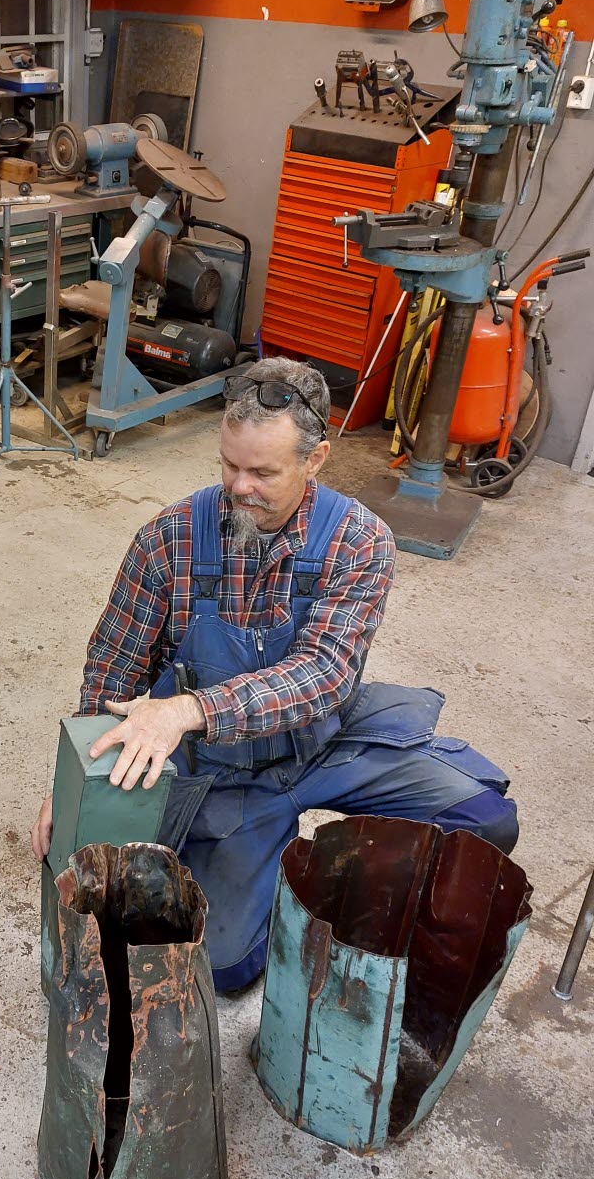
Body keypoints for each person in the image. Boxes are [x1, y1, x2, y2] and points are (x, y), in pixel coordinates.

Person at [31, 357, 518, 993]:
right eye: (229, 465)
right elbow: (112, 672)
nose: (240, 486)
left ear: (315, 460)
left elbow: (325, 673)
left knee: (484, 820)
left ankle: (340, 879)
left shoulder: (360, 541)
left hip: (328, 742)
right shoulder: (168, 540)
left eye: (263, 472)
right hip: (224, 777)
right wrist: (74, 787)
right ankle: (265, 863)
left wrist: (187, 709)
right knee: (223, 966)